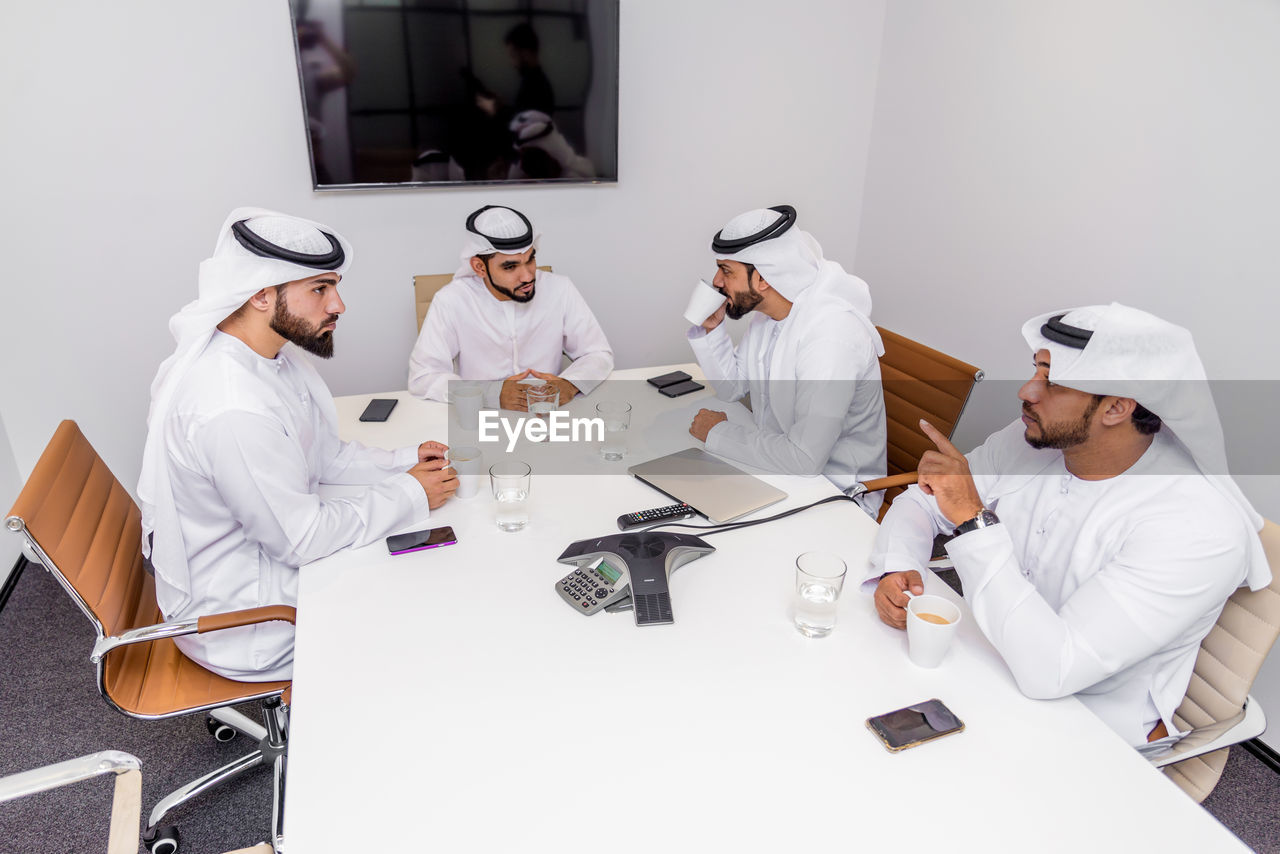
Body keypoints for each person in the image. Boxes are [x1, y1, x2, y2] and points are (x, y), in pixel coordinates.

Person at [868, 304, 1271, 747]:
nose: (1027, 390)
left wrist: (972, 520)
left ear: (1116, 407)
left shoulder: (1198, 527)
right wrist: (899, 565)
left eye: (1054, 382)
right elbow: (923, 503)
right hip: (982, 656)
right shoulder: (1037, 441)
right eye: (1036, 371)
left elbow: (1052, 672)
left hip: (1079, 727)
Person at [138, 207, 457, 681]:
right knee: (433, 606)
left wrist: (404, 462)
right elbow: (302, 540)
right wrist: (410, 493)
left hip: (271, 567)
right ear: (263, 296)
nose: (338, 305)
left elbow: (325, 456)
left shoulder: (271, 361)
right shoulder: (231, 406)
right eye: (320, 289)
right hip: (252, 623)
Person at [686, 205, 887, 514]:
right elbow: (733, 389)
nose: (717, 281)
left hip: (832, 495)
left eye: (727, 271)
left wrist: (717, 432)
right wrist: (712, 328)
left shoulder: (830, 337)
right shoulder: (771, 314)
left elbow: (805, 459)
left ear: (763, 278)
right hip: (777, 469)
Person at [408, 205, 613, 409]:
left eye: (530, 259)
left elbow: (597, 354)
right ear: (480, 267)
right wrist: (491, 394)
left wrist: (571, 383)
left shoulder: (560, 289)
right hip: (481, 415)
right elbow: (424, 377)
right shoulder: (452, 300)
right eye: (510, 267)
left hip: (548, 412)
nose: (528, 276)